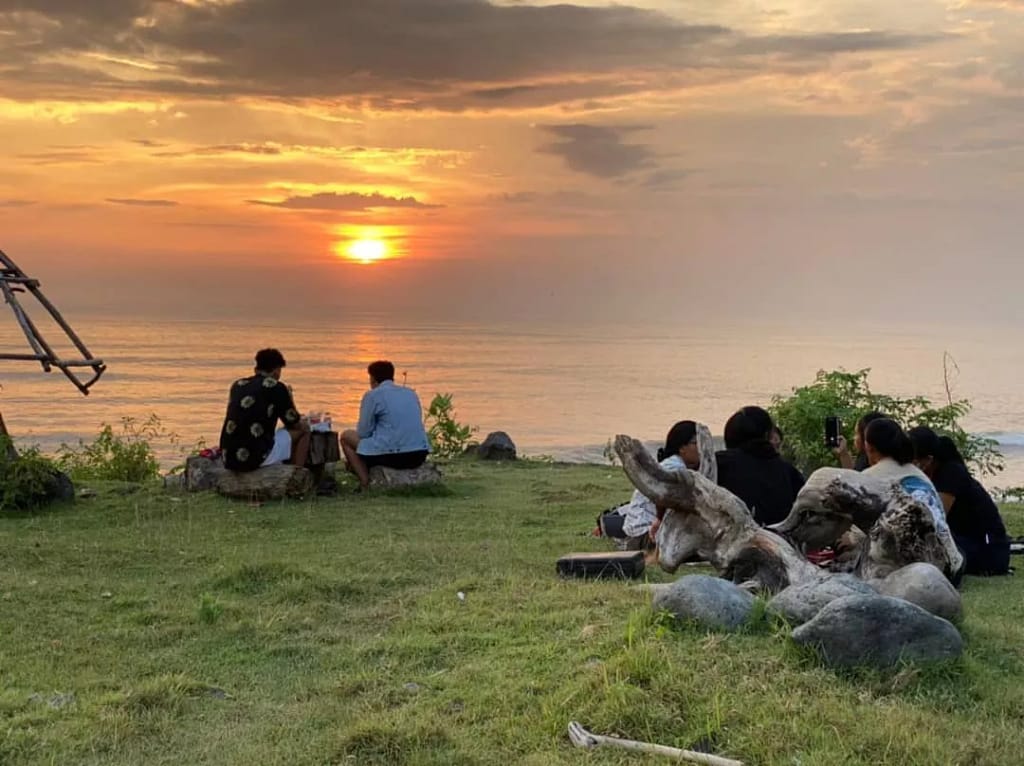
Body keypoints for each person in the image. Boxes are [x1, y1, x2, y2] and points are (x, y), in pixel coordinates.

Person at [861, 418, 964, 578]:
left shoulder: (868, 477)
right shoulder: (919, 474)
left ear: (869, 447)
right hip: (951, 565)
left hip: (918, 570)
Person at [909, 426, 1011, 576]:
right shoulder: (933, 473)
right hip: (968, 541)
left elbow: (935, 519)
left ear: (928, 460)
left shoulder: (951, 473)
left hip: (987, 551)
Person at [597, 420, 706, 549]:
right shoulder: (675, 469)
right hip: (646, 534)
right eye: (696, 443)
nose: (702, 448)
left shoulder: (673, 464)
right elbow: (665, 502)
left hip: (637, 533)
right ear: (682, 448)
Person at [341, 360, 431, 491]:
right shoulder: (410, 393)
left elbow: (363, 432)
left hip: (392, 456)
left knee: (346, 436)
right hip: (419, 454)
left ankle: (365, 483)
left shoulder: (373, 395)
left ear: (372, 378)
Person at [219, 348, 310, 471]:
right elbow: (293, 422)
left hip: (229, 457)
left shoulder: (237, 385)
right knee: (305, 429)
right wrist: (289, 398)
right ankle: (297, 474)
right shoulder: (276, 387)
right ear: (277, 370)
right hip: (254, 457)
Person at [716, 406, 804, 526]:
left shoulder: (718, 464)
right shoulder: (788, 471)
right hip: (779, 541)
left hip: (725, 541)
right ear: (767, 435)